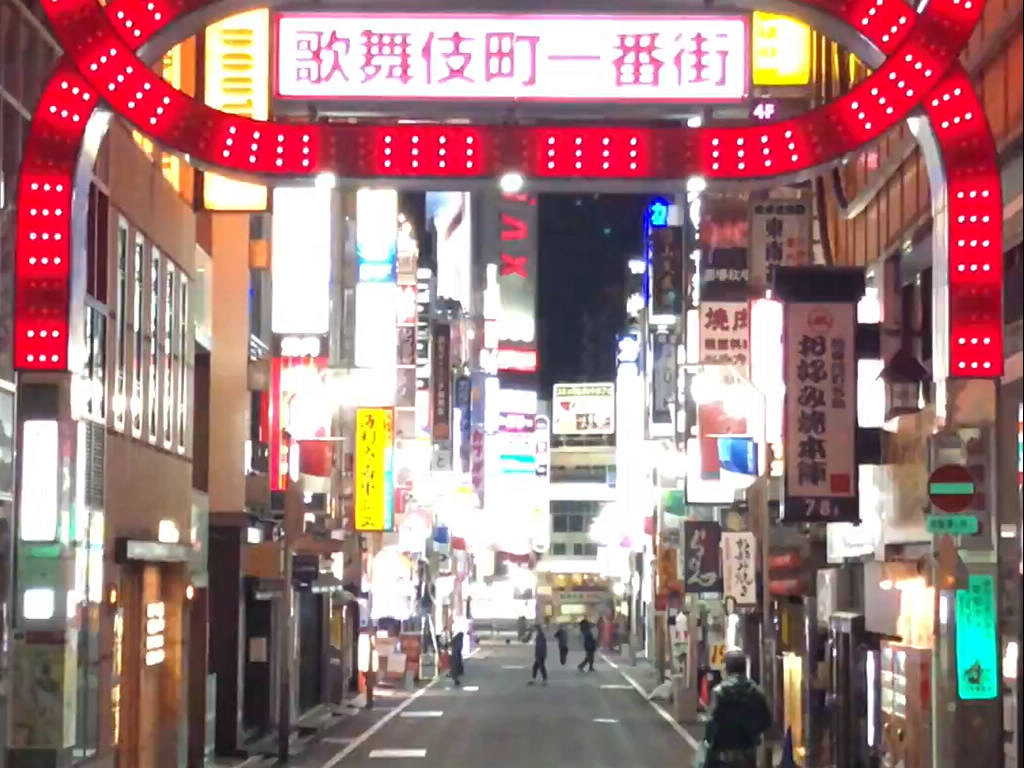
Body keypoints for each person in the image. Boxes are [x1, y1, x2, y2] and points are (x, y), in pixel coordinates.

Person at [695, 649, 772, 768]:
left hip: (722, 757)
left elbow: (711, 727)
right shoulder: (756, 692)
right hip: (748, 755)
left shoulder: (719, 692)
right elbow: (766, 722)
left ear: (726, 668)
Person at [450, 619, 467, 687]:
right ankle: (455, 677)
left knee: (455, 666)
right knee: (456, 665)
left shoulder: (456, 638)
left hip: (455, 654)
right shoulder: (459, 638)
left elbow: (452, 644)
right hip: (456, 654)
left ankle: (455, 677)